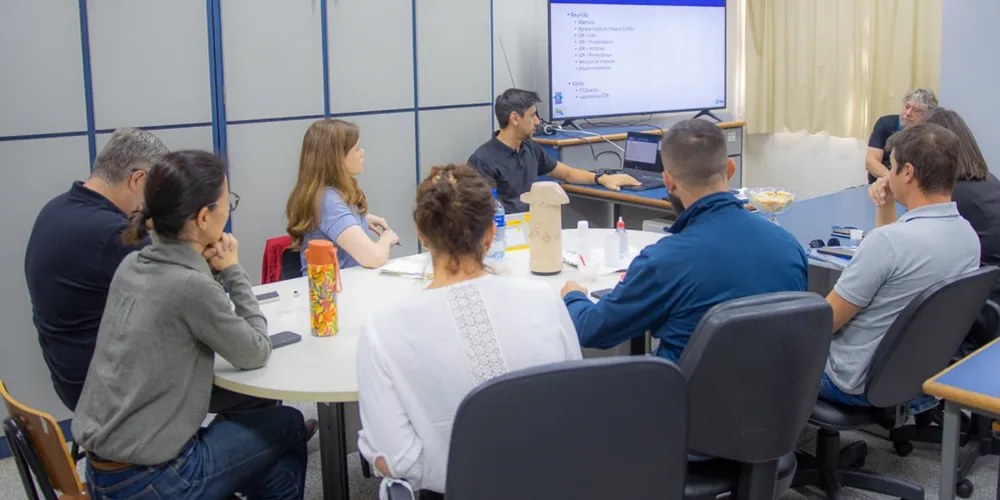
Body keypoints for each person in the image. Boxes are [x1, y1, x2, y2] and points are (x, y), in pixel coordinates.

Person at [72, 151, 310, 499]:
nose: (229, 211)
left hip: (103, 471)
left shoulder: (133, 265)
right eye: (229, 203)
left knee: (278, 465)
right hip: (153, 479)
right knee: (287, 423)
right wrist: (232, 269)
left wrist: (209, 268)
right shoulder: (189, 287)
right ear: (203, 217)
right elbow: (256, 351)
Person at [357, 163, 583, 496]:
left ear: (421, 233)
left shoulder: (382, 330)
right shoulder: (545, 301)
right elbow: (578, 408)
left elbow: (396, 461)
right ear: (491, 234)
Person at [560, 119, 808, 363]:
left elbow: (592, 330)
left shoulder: (664, 261)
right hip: (778, 398)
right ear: (730, 170)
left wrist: (574, 296)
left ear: (668, 181)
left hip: (684, 399)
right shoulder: (788, 245)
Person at [822, 123, 980, 413]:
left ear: (907, 172)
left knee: (770, 346)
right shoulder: (968, 237)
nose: (887, 172)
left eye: (890, 166)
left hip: (852, 379)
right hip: (913, 375)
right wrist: (886, 204)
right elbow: (897, 257)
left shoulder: (887, 244)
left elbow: (826, 322)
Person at [24, 127, 167, 411]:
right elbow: (189, 298)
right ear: (138, 180)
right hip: (115, 399)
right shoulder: (113, 235)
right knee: (254, 397)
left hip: (73, 383)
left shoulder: (56, 210)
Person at [468, 88, 641, 212]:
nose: (537, 121)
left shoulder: (530, 148)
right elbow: (484, 213)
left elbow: (567, 174)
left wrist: (602, 178)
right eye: (532, 115)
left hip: (536, 227)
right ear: (514, 118)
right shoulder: (483, 161)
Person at [286, 119, 399, 273]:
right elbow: (373, 258)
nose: (362, 152)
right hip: (335, 291)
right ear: (338, 159)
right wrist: (387, 239)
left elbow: (330, 222)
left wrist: (361, 219)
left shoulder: (324, 194)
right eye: (357, 149)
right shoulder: (327, 201)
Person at [865, 88, 938, 184]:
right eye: (907, 107)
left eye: (916, 110)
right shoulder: (885, 124)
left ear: (927, 116)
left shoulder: (930, 135)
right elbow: (871, 162)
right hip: (881, 186)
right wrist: (894, 180)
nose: (907, 113)